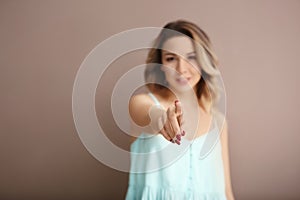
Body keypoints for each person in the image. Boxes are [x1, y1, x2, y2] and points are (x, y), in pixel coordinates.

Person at [125, 19, 235, 200]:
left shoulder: (218, 122)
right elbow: (150, 115)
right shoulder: (140, 102)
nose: (181, 68)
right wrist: (162, 118)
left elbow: (227, 192)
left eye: (191, 57)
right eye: (171, 58)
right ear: (160, 65)